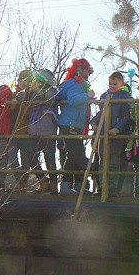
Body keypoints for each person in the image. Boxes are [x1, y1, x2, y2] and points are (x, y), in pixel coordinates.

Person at [90, 71, 133, 199]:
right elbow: (101, 113)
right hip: (103, 134)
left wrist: (117, 129)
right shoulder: (105, 96)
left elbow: (126, 117)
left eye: (115, 83)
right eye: (110, 83)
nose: (112, 86)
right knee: (102, 161)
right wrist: (94, 122)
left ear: (121, 83)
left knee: (114, 162)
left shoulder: (124, 97)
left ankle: (112, 189)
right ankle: (102, 188)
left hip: (115, 135)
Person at [57, 58, 95, 195]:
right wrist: (88, 95)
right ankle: (66, 185)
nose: (88, 74)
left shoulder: (76, 83)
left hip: (74, 124)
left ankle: (79, 185)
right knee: (73, 154)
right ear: (80, 69)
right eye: (86, 71)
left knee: (79, 155)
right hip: (70, 124)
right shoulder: (74, 83)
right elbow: (73, 100)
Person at [26, 69, 59, 193]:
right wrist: (29, 90)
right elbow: (20, 97)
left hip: (48, 129)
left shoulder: (53, 91)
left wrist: (37, 90)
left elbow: (51, 98)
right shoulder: (31, 92)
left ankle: (53, 183)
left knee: (49, 157)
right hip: (33, 128)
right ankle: (42, 180)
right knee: (31, 157)